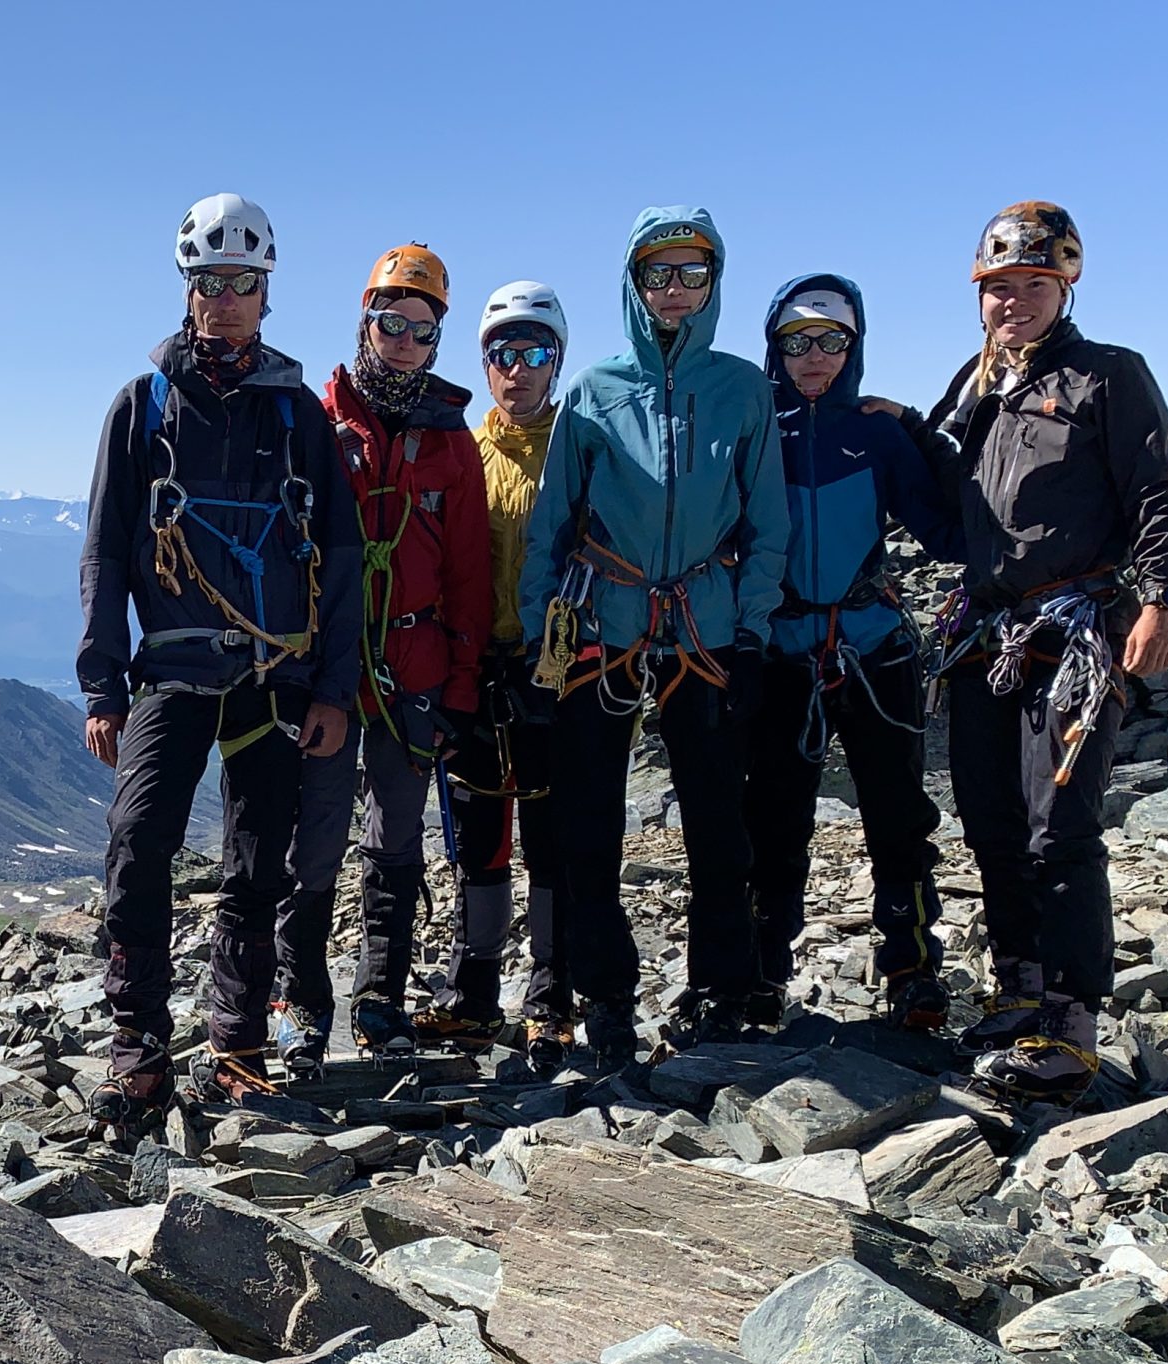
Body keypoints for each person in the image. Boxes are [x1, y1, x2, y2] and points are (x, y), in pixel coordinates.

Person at [865, 202, 1168, 1105]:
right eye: (999, 288)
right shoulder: (978, 389)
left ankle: (1072, 1024)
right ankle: (1019, 989)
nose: (1014, 302)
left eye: (1032, 286)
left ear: (1065, 286)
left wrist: (1159, 599)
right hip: (986, 634)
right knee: (993, 823)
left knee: (1061, 830)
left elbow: (1157, 490)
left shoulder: (1108, 377)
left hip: (1078, 626)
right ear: (980, 298)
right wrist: (896, 427)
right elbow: (945, 499)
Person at [77, 192, 360, 1132]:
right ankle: (140, 1050)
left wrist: (333, 687)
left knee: (255, 865)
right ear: (188, 289)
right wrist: (101, 683)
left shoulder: (296, 417)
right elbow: (106, 551)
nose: (226, 299)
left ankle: (235, 1040)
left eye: (242, 282)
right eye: (210, 282)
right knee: (137, 843)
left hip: (276, 678)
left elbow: (346, 557)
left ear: (265, 290)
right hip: (169, 674)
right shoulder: (142, 409)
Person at [517, 207, 789, 1066]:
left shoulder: (743, 390)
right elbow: (551, 528)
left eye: (692, 274)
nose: (675, 291)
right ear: (634, 284)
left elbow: (767, 522)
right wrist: (539, 647)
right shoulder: (595, 395)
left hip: (706, 635)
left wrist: (748, 635)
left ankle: (721, 987)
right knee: (588, 827)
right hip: (606, 631)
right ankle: (606, 999)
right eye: (658, 275)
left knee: (718, 822)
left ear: (714, 282)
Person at [272, 244, 490, 1071]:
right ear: (364, 320)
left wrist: (461, 682)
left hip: (416, 668)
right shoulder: (321, 419)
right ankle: (301, 1002)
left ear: (437, 342)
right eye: (390, 322)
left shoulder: (451, 442)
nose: (403, 340)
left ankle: (381, 999)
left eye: (421, 329)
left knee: (397, 836)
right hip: (330, 670)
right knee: (317, 837)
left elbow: (470, 571)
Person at [743, 275, 966, 1034]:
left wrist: (921, 429)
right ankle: (764, 974)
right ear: (775, 346)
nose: (814, 357)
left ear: (854, 345)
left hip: (874, 650)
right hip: (781, 652)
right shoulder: (754, 429)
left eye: (831, 340)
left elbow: (951, 534)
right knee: (773, 820)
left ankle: (911, 967)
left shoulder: (878, 434)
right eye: (797, 340)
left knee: (899, 815)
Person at [412, 280, 576, 1078]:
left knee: (550, 840)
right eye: (503, 354)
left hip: (556, 671)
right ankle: (476, 990)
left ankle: (551, 998)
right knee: (478, 834)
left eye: (535, 352)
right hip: (477, 670)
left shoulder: (583, 450)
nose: (518, 369)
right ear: (484, 364)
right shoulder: (462, 454)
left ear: (557, 360)